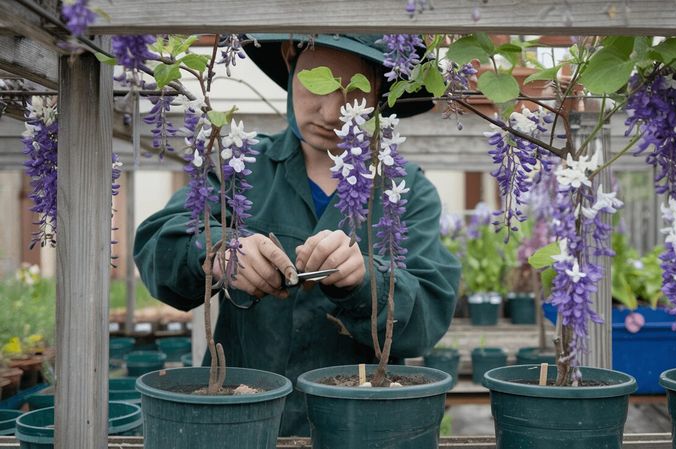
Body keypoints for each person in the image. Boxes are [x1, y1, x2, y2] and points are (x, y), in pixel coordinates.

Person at [133, 34, 461, 436]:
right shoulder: (242, 167)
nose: (332, 112)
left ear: (380, 87)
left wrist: (364, 280)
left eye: (352, 93)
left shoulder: (406, 188)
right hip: (239, 418)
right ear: (291, 60)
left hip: (360, 425)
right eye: (318, 85)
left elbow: (430, 310)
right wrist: (217, 251)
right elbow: (157, 242)